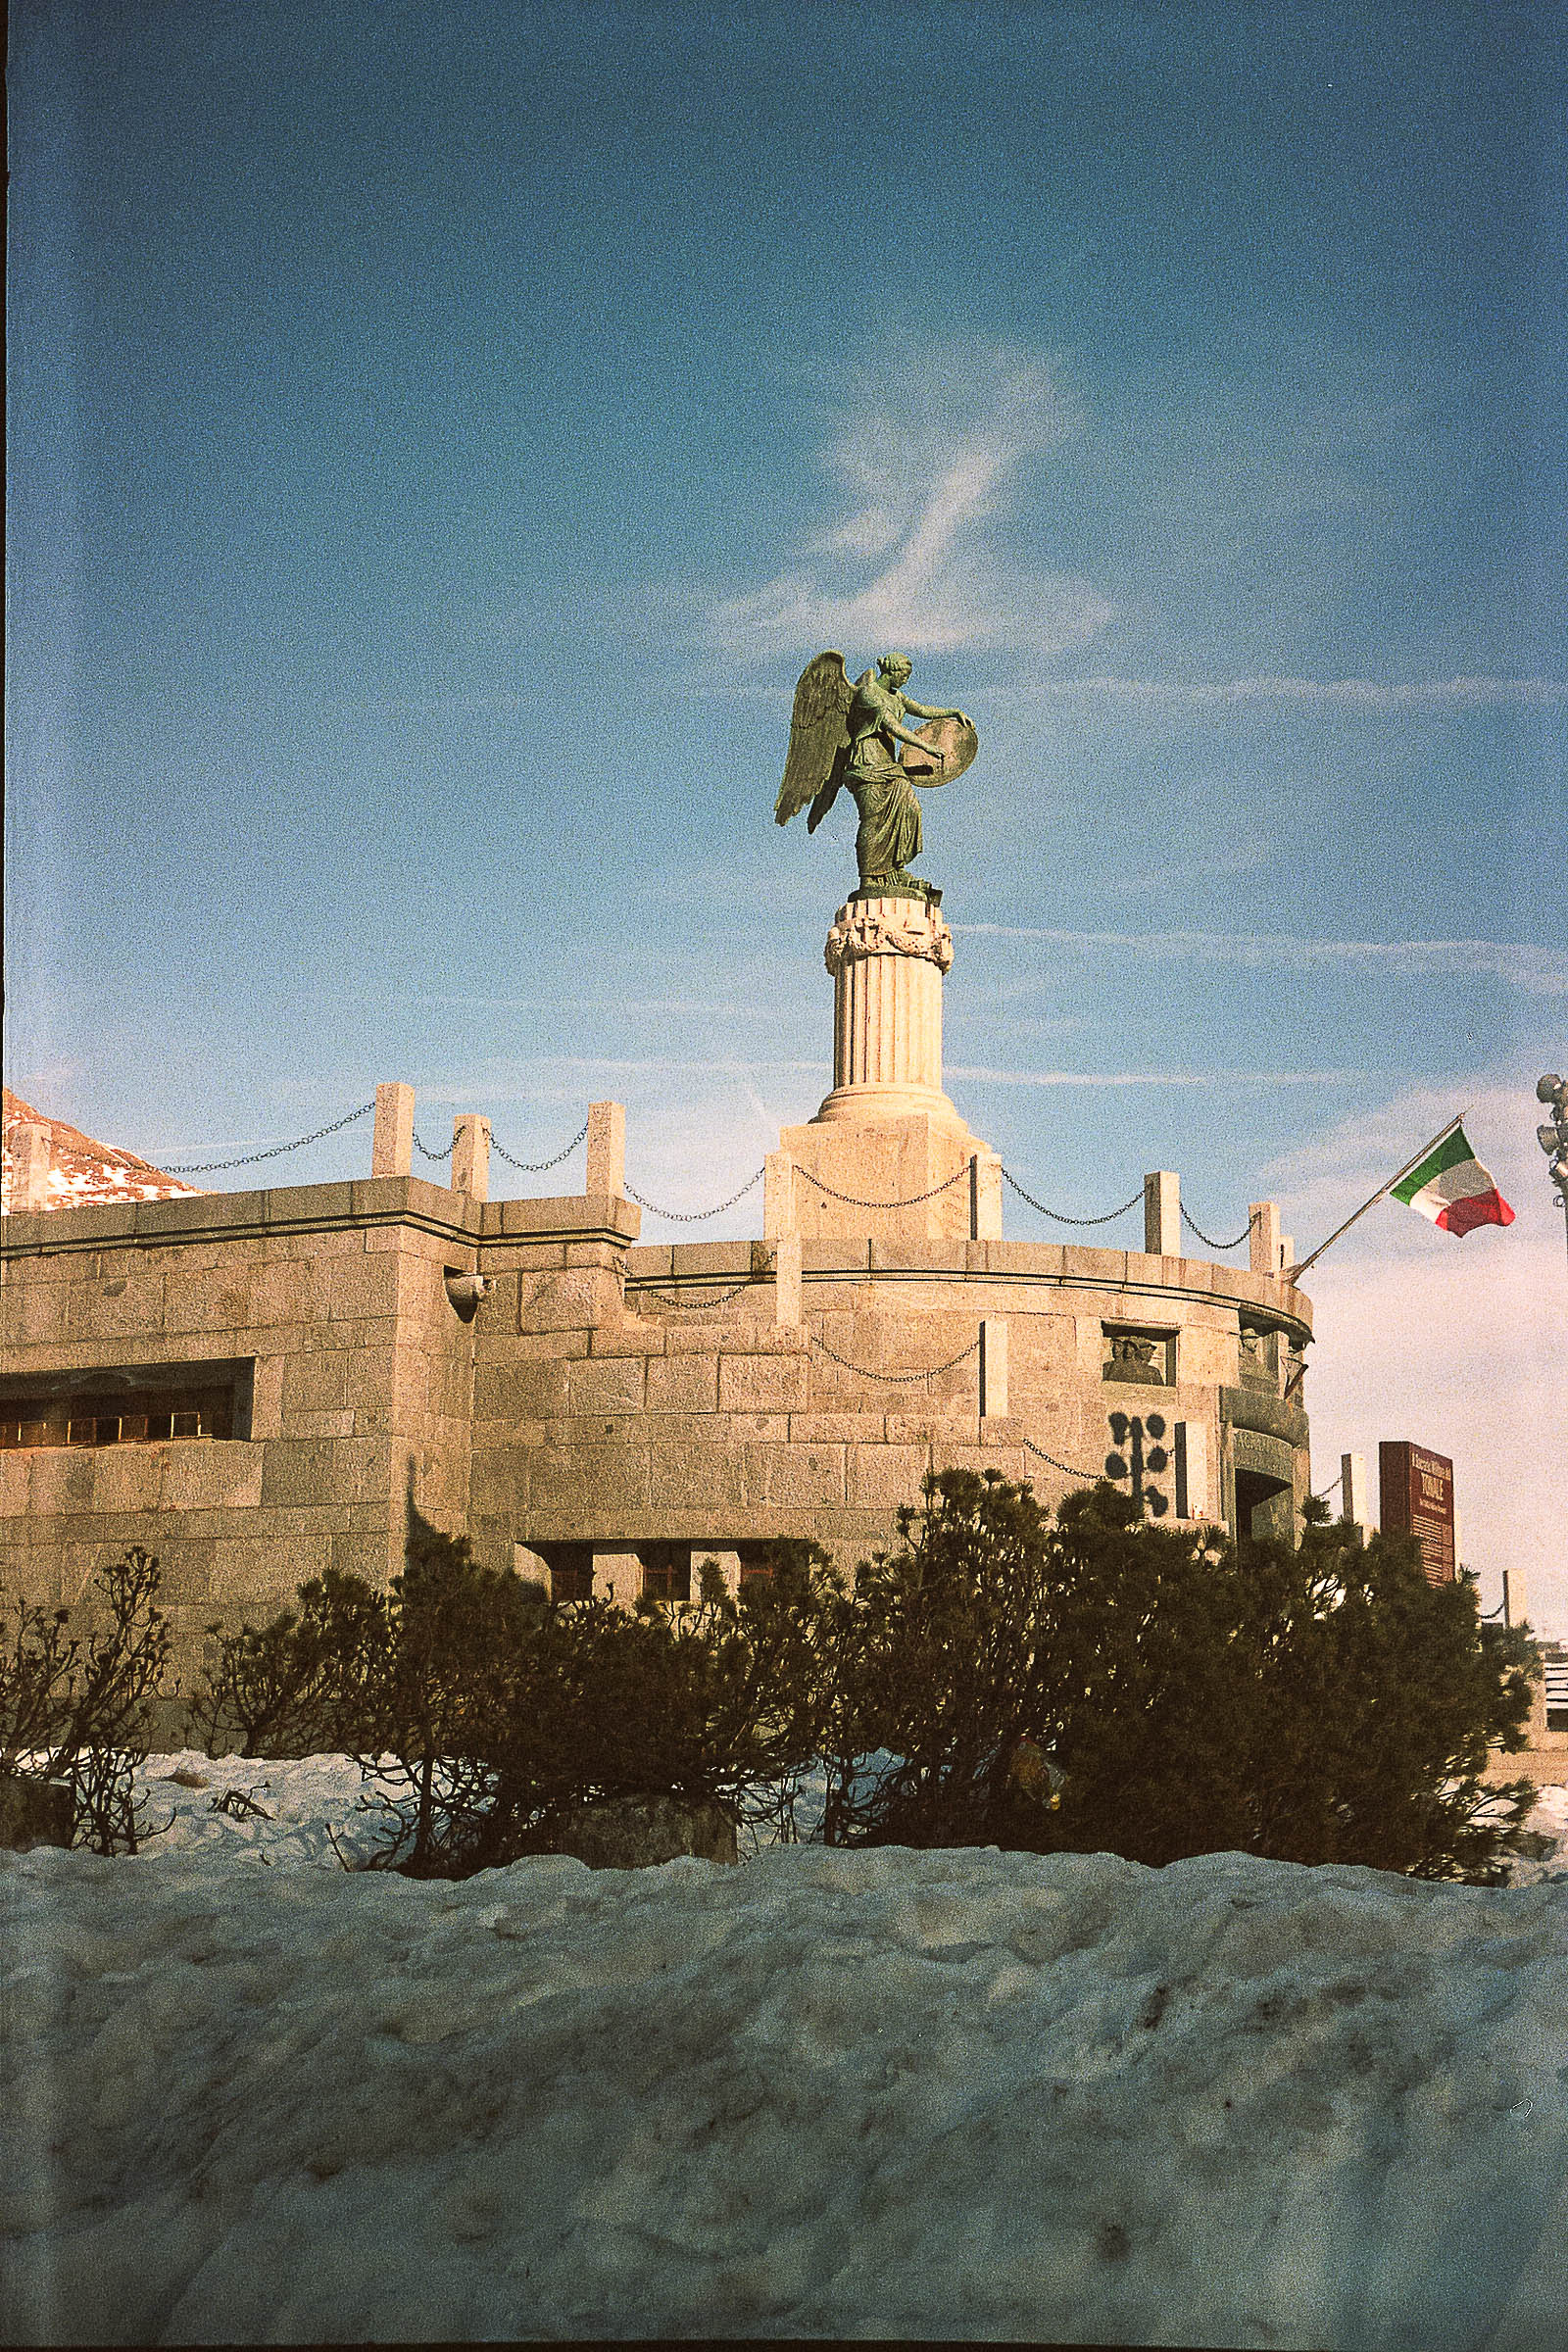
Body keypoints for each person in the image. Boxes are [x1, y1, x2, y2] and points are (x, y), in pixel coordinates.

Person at [844, 652, 971, 888]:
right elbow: (891, 725)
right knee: (872, 820)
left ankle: (894, 869)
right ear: (891, 672)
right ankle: (869, 878)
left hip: (890, 765)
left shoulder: (897, 696)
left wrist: (953, 712)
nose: (906, 680)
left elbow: (922, 710)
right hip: (867, 762)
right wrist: (927, 747)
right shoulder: (868, 694)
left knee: (910, 809)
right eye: (904, 675)